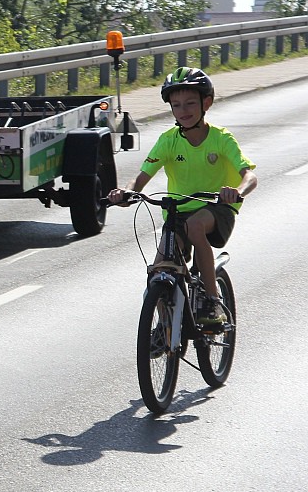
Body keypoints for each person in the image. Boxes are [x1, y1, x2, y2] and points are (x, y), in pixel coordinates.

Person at [108, 66, 257, 325]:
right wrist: (128, 192)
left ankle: (211, 302)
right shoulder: (168, 140)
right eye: (176, 105)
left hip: (216, 208)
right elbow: (141, 177)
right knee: (158, 270)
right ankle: (163, 328)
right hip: (177, 211)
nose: (183, 111)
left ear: (206, 103)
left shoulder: (221, 139)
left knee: (195, 225)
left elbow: (250, 176)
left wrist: (236, 192)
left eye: (190, 103)